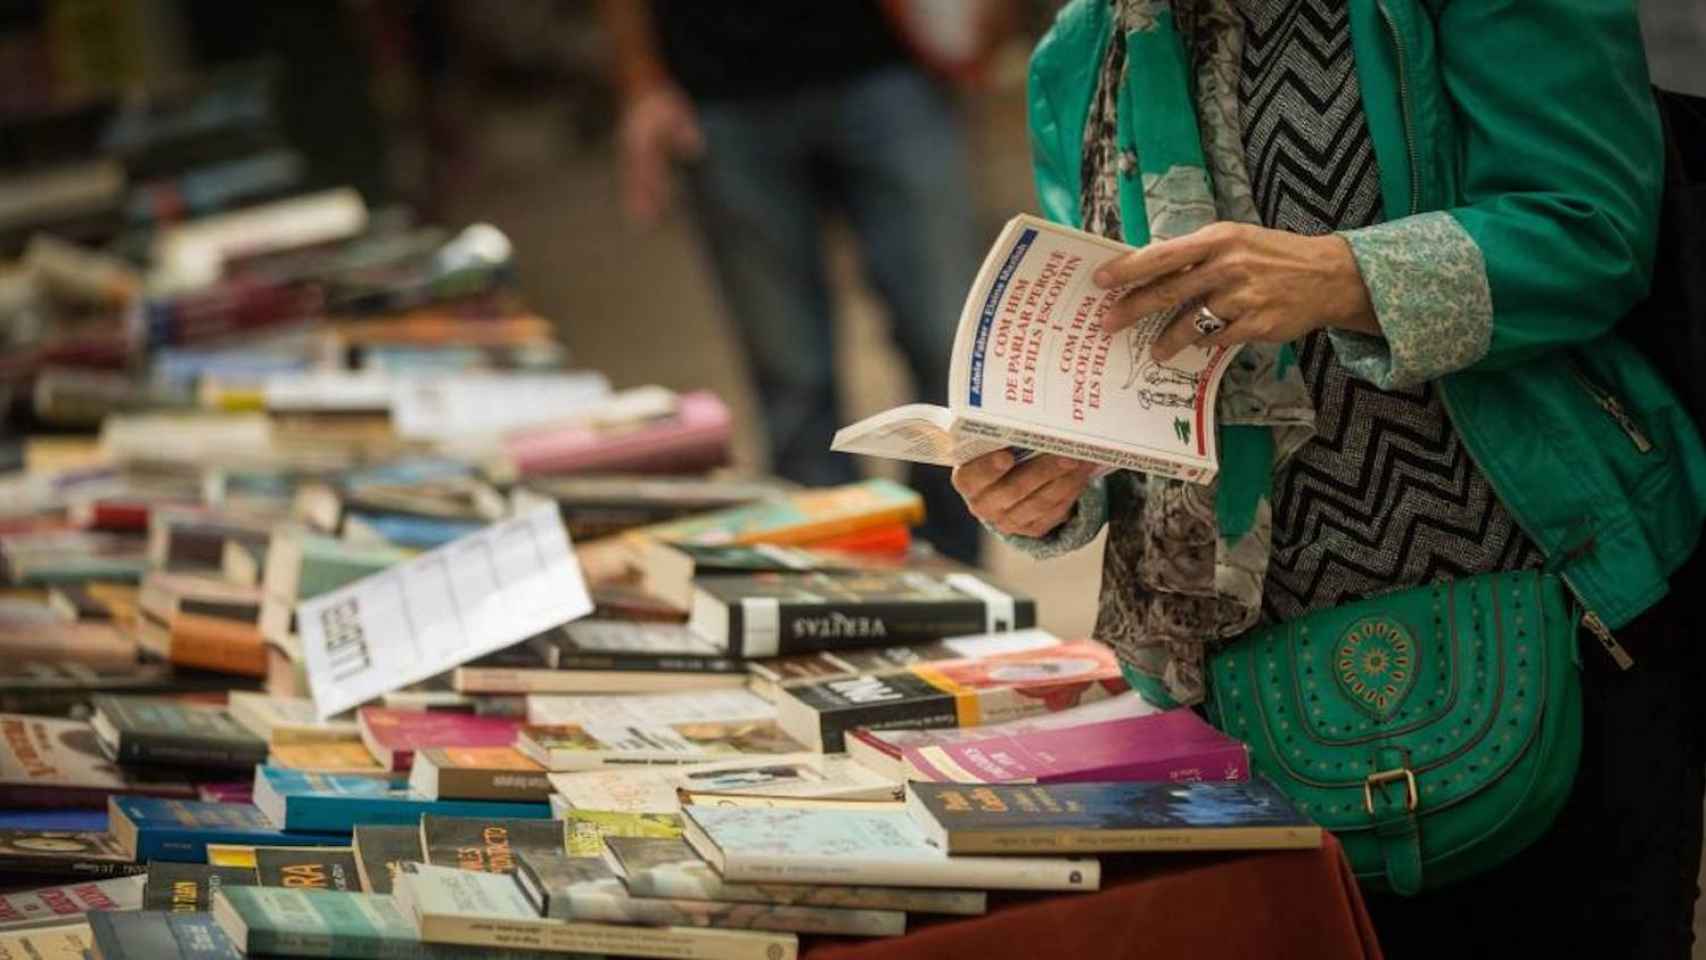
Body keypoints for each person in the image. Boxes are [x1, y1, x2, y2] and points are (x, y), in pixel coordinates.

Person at [953, 1, 1706, 956]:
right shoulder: (1081, 51)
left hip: (1553, 625)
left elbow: (1593, 229)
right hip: (1238, 698)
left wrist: (1344, 274)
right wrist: (1050, 482)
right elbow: (1116, 359)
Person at [598, 0, 987, 563]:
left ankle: (953, 578)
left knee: (952, 346)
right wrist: (642, 82)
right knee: (792, 378)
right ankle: (833, 585)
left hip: (894, 67)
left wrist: (979, 27)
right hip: (724, 89)